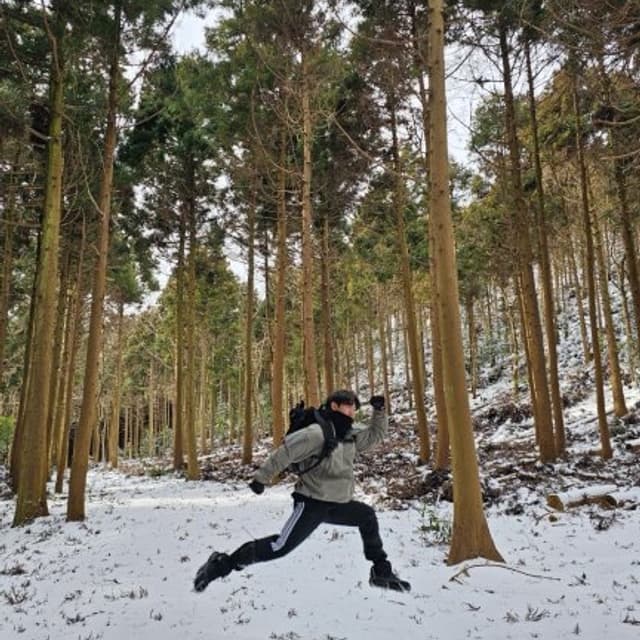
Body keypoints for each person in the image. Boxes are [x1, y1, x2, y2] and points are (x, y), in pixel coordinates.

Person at [193, 389, 410, 593]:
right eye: (348, 405)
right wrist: (261, 478)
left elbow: (374, 436)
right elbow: (285, 452)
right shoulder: (316, 434)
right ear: (334, 406)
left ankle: (381, 571)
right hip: (312, 502)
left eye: (355, 406)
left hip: (337, 502)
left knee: (366, 516)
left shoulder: (350, 434)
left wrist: (379, 411)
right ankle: (222, 563)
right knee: (280, 546)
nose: (353, 410)